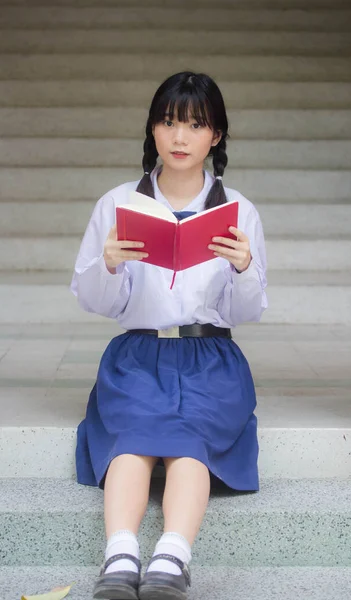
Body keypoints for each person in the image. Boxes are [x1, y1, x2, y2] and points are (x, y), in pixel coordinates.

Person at [71, 71, 268, 600]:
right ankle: (120, 555)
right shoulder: (118, 204)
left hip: (210, 358)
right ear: (153, 130)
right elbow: (95, 300)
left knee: (189, 447)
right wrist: (108, 264)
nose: (180, 138)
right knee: (132, 441)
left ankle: (172, 558)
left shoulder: (238, 211)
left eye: (196, 125)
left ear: (216, 136)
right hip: (138, 354)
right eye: (168, 122)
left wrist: (245, 267)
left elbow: (247, 311)